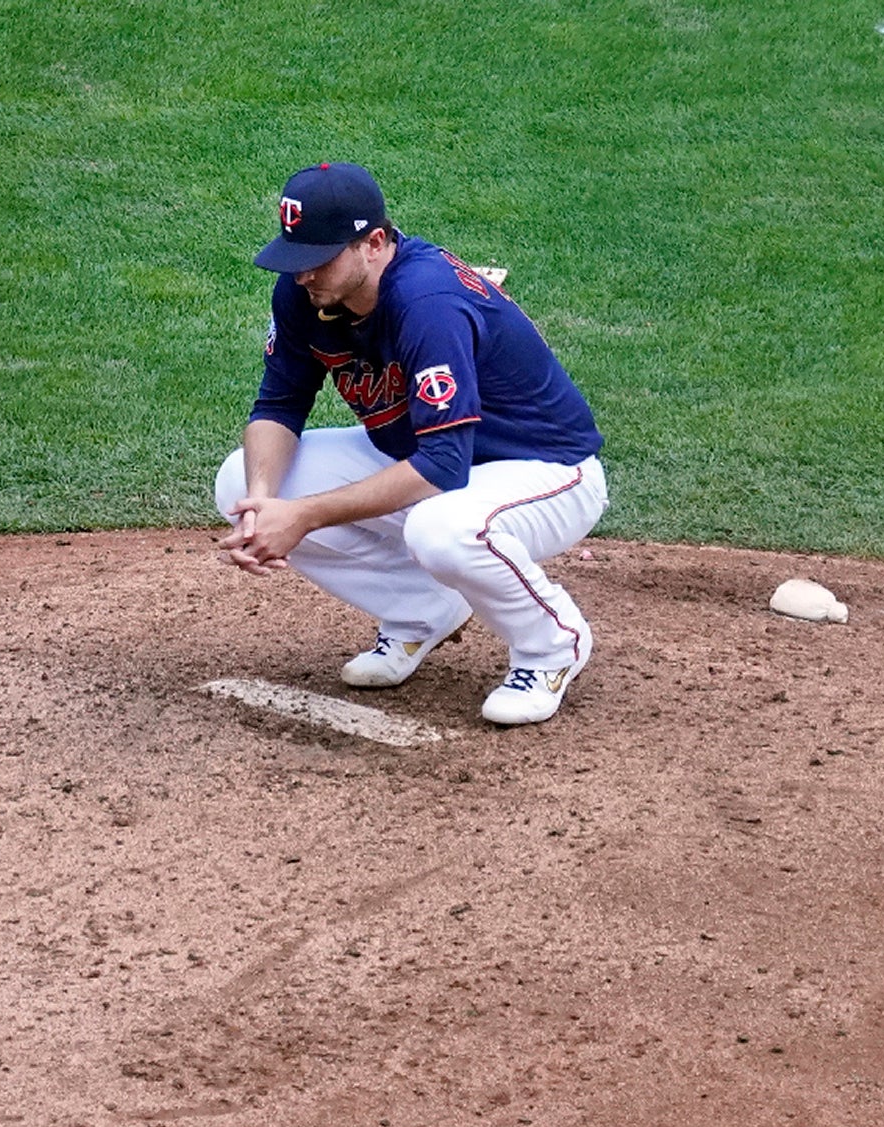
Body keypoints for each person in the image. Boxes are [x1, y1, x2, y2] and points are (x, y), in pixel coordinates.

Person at [215, 162, 607, 725]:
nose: (303, 276)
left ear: (374, 243)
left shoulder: (428, 301)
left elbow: (442, 466)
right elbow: (279, 405)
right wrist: (265, 502)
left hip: (544, 469)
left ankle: (552, 647)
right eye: (296, 258)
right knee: (238, 480)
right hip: (427, 455)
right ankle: (420, 611)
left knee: (444, 528)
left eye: (319, 259)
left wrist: (301, 516)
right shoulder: (304, 290)